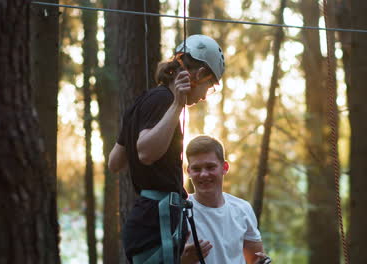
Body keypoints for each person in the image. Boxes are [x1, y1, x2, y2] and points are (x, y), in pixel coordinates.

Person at [108, 35, 225, 264]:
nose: (203, 97)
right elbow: (145, 153)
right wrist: (177, 105)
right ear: (199, 75)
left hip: (146, 221)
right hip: (155, 223)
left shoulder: (143, 101)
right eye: (208, 87)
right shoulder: (165, 101)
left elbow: (115, 161)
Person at [181, 135, 271, 264]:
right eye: (196, 169)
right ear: (188, 171)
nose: (204, 174)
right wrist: (182, 261)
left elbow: (255, 259)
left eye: (210, 167)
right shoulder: (179, 210)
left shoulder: (242, 209)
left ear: (225, 167)